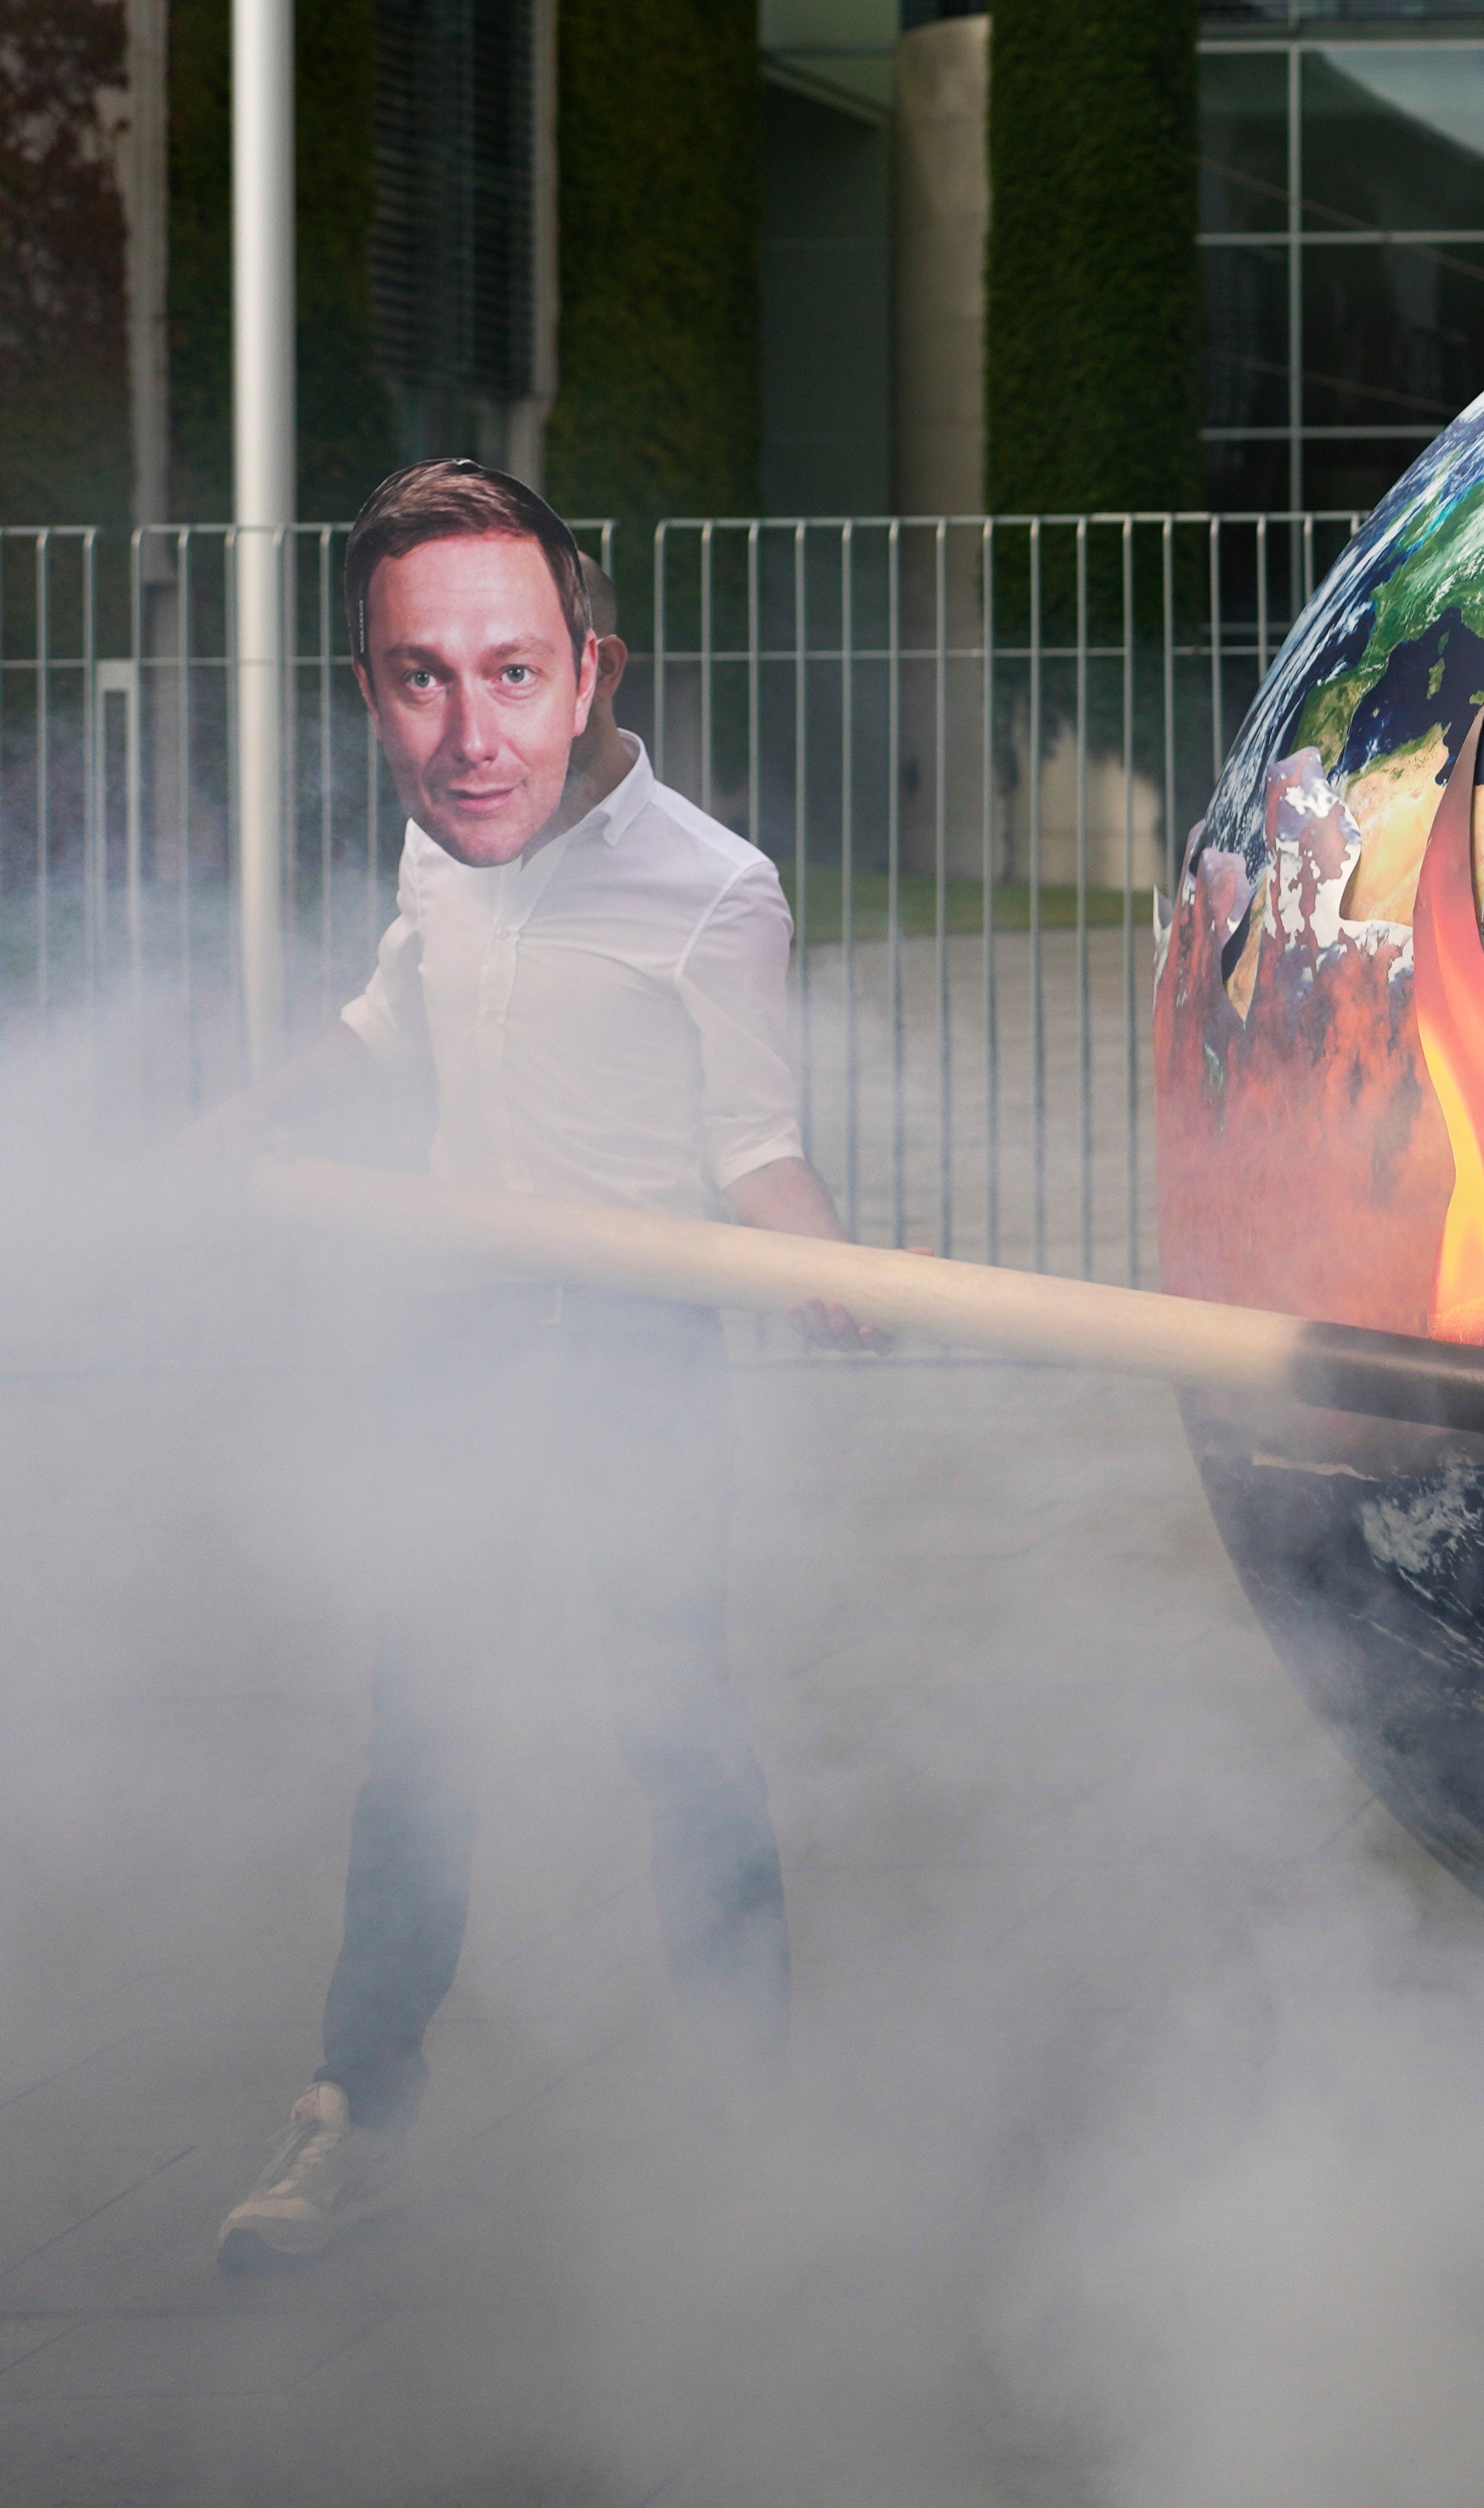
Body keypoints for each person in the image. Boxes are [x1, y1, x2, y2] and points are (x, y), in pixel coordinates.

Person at [183, 462, 878, 2269]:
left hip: (636, 1357)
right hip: (459, 1339)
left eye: (509, 674)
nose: (469, 730)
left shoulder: (712, 894)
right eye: (421, 677)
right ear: (372, 688)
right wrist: (246, 1120)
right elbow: (388, 1018)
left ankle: (756, 2119)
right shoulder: (444, 838)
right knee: (421, 1737)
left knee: (677, 1734)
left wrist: (816, 1261)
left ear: (592, 672)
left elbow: (757, 1154)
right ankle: (357, 2104)